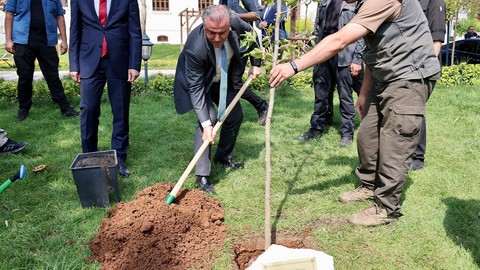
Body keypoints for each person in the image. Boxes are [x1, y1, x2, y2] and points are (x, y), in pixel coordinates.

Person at [269, 0, 441, 226]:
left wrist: (294, 66)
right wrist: (363, 92)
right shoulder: (365, 4)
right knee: (367, 135)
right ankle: (369, 186)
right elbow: (374, 51)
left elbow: (339, 40)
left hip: (408, 78)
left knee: (395, 142)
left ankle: (386, 207)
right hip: (383, 77)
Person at [174, 5, 261, 195]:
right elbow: (196, 88)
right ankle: (202, 176)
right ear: (204, 26)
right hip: (202, 82)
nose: (217, 38)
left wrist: (256, 64)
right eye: (211, 33)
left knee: (235, 116)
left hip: (224, 78)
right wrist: (206, 125)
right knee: (209, 119)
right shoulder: (194, 47)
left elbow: (253, 39)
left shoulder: (238, 23)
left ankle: (223, 156)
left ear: (229, 26)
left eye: (222, 33)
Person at [69, 0, 142, 177]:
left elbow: (135, 31)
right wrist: (74, 64)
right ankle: (89, 158)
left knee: (121, 111)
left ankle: (118, 159)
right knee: (88, 109)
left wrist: (134, 64)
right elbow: (75, 30)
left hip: (120, 60)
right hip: (89, 59)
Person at [298, 0, 364, 148]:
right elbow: (318, 26)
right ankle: (317, 128)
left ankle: (347, 133)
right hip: (324, 53)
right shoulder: (325, 2)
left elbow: (362, 33)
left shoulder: (354, 3)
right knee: (320, 93)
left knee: (345, 95)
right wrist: (317, 51)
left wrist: (357, 59)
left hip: (345, 54)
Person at [3, 0, 80, 122]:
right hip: (23, 41)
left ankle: (65, 108)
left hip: (47, 41)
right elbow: (9, 14)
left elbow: (59, 16)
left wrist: (64, 40)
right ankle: (23, 109)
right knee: (25, 77)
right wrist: (8, 40)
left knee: (53, 76)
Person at [220, 0, 270, 125]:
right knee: (225, 81)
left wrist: (235, 15)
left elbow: (257, 14)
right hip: (228, 45)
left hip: (243, 46)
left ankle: (262, 105)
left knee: (236, 83)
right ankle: (231, 113)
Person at [410, 0, 446, 171]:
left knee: (416, 109)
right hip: (406, 64)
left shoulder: (434, 1)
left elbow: (437, 39)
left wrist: (425, 69)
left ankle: (418, 156)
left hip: (423, 67)